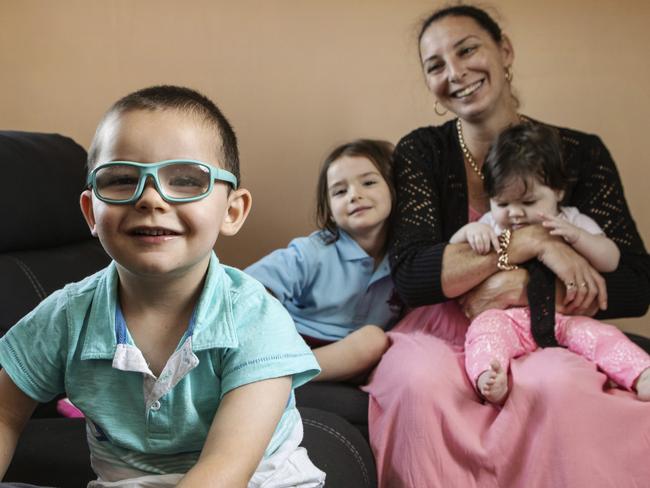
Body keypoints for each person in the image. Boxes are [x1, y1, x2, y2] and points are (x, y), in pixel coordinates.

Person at [361, 5, 650, 487]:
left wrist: (521, 286)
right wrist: (532, 241)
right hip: (439, 333)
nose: (455, 73)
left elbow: (635, 284)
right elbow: (412, 274)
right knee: (417, 381)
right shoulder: (422, 151)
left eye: (467, 49)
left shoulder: (580, 154)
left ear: (505, 51)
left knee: (556, 385)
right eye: (436, 65)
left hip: (546, 330)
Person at [0, 85, 325, 488]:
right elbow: (4, 413)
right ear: (91, 213)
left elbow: (226, 469)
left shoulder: (257, 320)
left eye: (186, 180)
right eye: (121, 179)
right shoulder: (67, 316)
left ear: (232, 211)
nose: (151, 198)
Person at [450, 123, 650, 404]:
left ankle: (642, 374)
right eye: (502, 204)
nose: (515, 213)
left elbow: (611, 259)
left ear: (557, 191)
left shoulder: (570, 220)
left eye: (529, 201)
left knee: (603, 337)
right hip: (509, 319)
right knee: (484, 332)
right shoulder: (491, 224)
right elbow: (454, 251)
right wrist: (470, 232)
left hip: (564, 318)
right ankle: (489, 377)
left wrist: (579, 238)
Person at [246, 139, 397, 382]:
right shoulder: (314, 250)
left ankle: (288, 374)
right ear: (329, 211)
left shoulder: (405, 259)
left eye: (368, 183)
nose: (355, 195)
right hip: (294, 339)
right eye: (340, 191)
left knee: (375, 340)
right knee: (373, 339)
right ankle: (279, 372)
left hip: (350, 355)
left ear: (393, 189)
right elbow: (248, 288)